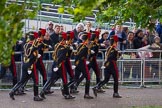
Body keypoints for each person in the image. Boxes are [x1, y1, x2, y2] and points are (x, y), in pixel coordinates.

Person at [9, 31, 43, 101]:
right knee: (36, 80)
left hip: (24, 64)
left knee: (22, 80)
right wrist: (36, 57)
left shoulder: (25, 45)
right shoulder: (34, 46)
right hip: (31, 65)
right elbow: (32, 57)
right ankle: (36, 96)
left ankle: (12, 91)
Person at [40, 32, 75, 99]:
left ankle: (42, 92)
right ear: (63, 40)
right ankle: (67, 94)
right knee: (64, 80)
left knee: (51, 79)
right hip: (60, 65)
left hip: (55, 64)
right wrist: (69, 49)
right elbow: (61, 57)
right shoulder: (64, 48)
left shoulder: (57, 45)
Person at [73, 32, 94, 99]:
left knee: (76, 78)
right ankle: (86, 94)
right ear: (86, 40)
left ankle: (66, 88)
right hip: (82, 63)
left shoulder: (80, 45)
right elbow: (80, 55)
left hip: (78, 63)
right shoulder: (84, 47)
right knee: (88, 78)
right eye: (88, 39)